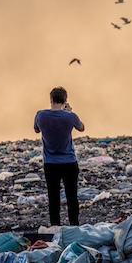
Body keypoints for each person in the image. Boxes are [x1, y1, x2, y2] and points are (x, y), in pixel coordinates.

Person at [33, 86, 85, 226]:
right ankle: (74, 226)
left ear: (51, 99)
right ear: (65, 100)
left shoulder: (41, 115)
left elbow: (36, 129)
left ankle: (55, 227)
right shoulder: (70, 117)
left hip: (50, 163)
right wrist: (69, 112)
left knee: (53, 197)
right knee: (72, 196)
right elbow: (81, 127)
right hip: (69, 162)